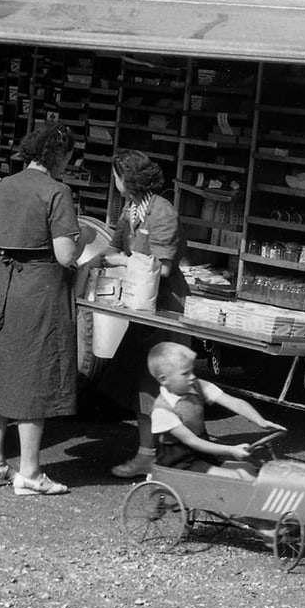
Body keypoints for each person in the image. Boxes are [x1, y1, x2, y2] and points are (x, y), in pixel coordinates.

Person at [0, 122, 81, 496]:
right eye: (68, 156)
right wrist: (86, 251)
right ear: (58, 154)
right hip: (39, 287)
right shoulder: (57, 191)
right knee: (34, 375)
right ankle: (31, 473)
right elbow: (65, 254)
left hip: (5, 284)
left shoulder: (4, 185)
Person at [102, 149, 189, 480]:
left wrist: (123, 262)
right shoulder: (132, 208)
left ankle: (160, 459)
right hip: (140, 307)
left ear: (128, 179)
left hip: (165, 311)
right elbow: (114, 245)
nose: (115, 182)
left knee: (158, 386)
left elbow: (164, 270)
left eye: (116, 176)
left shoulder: (162, 212)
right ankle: (150, 454)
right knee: (140, 385)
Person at [146, 342, 283, 471]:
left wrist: (260, 421)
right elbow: (192, 441)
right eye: (185, 373)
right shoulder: (162, 410)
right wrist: (230, 449)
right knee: (240, 478)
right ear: (164, 379)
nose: (192, 376)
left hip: (202, 455)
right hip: (181, 463)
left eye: (192, 371)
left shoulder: (197, 385)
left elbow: (235, 402)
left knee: (248, 470)